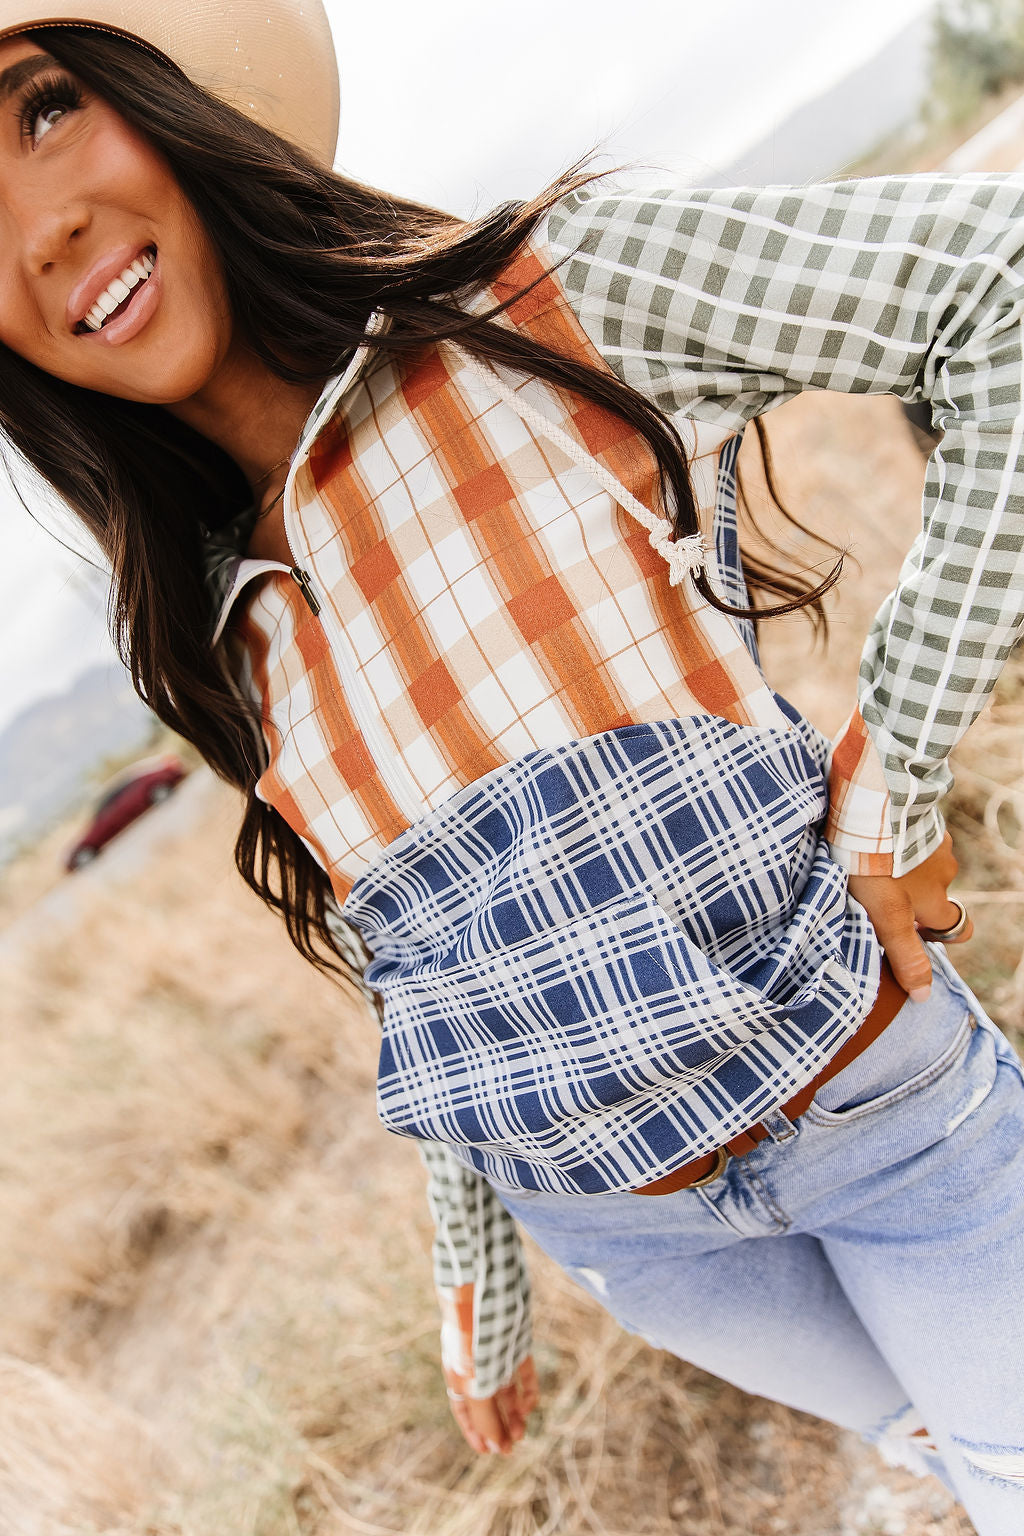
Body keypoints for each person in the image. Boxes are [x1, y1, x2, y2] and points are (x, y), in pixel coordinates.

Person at [0, 4, 1021, 1529]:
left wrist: (900, 769)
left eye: (44, 110)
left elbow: (999, 289)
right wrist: (477, 1271)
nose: (39, 228)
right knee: (939, 1449)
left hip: (881, 1130)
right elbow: (422, 961)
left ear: (164, 98)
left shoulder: (542, 300)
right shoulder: (213, 626)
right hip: (641, 1248)